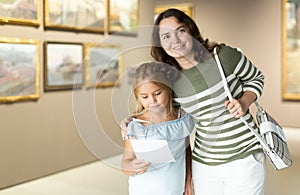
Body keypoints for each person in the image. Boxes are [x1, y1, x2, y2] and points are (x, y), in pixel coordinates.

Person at [122, 8, 266, 195]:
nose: (175, 40)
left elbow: (257, 78)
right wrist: (130, 121)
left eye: (180, 31)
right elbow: (162, 109)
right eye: (166, 37)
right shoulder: (172, 79)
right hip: (204, 164)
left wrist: (244, 102)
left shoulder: (223, 57)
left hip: (244, 157)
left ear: (191, 30)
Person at [121, 61, 195, 195]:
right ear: (138, 97)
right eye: (144, 97)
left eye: (157, 93)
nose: (152, 100)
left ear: (168, 89)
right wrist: (132, 167)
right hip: (143, 190)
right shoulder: (136, 126)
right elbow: (125, 163)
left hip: (175, 189)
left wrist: (188, 179)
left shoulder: (181, 119)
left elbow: (186, 150)